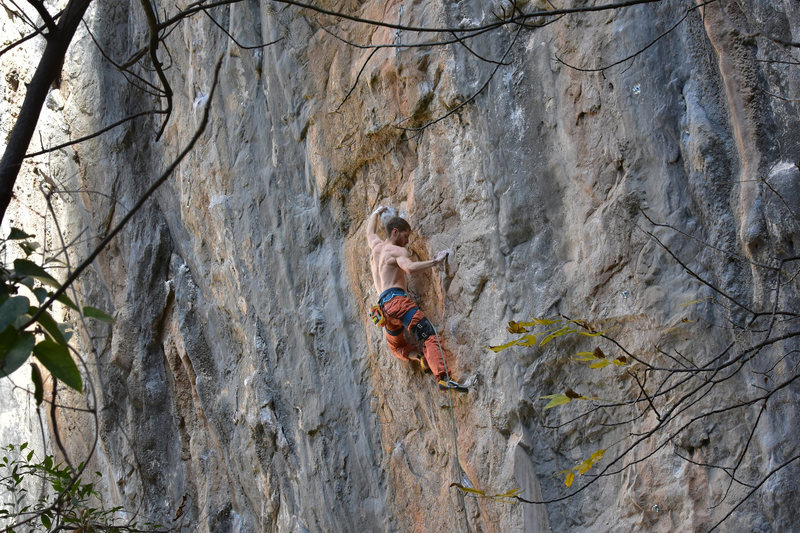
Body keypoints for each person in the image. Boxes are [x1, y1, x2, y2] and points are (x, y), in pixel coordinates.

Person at [367, 206, 466, 391]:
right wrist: (435, 262)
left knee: (396, 347)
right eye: (406, 236)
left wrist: (376, 213)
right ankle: (443, 377)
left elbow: (369, 232)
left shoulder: (375, 247)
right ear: (395, 232)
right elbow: (410, 268)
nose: (407, 241)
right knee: (428, 334)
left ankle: (418, 357)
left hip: (383, 312)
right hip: (398, 303)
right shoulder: (396, 251)